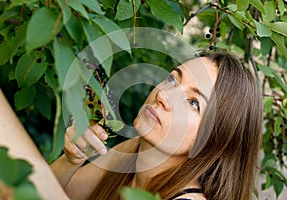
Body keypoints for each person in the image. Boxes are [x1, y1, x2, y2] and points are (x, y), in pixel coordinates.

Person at [50, 51, 263, 200]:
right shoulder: (132, 151)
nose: (163, 95)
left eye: (193, 103)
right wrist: (71, 160)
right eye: (172, 80)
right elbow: (41, 192)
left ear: (218, 139)